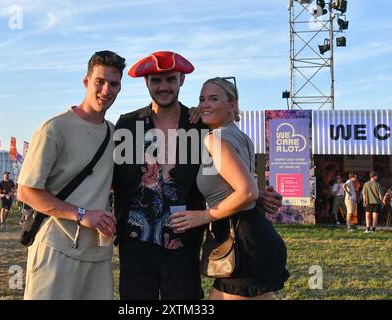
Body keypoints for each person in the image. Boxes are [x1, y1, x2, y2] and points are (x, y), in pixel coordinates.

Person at [113, 51, 284, 300]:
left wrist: (257, 196)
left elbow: (228, 176)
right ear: (146, 82)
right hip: (135, 242)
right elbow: (114, 177)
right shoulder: (128, 124)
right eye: (156, 81)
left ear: (181, 80)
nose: (163, 87)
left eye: (170, 79)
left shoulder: (200, 125)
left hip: (184, 241)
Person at [17, 50, 125, 300]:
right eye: (100, 81)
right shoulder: (55, 128)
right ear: (86, 81)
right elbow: (26, 191)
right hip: (56, 248)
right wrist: (82, 215)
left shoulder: (114, 133)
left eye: (114, 84)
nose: (106, 90)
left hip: (98, 252)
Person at [170, 77, 289, 300]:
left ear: (232, 105)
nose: (204, 104)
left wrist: (204, 216)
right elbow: (242, 188)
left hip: (242, 243)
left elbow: (247, 191)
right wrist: (261, 197)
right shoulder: (241, 136)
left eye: (213, 99)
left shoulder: (215, 139)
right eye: (201, 99)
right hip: (250, 236)